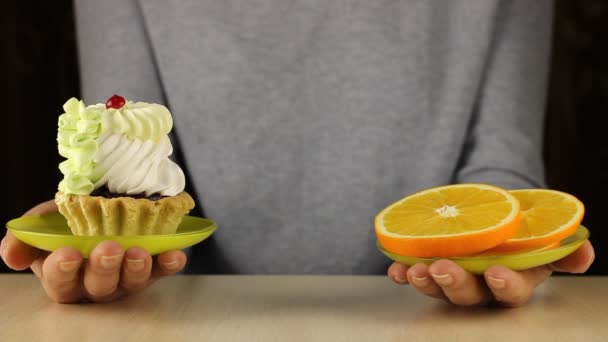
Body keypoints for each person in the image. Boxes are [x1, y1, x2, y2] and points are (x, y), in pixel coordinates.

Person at [1, 0, 595, 306]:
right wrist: (105, 243)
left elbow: (501, 167)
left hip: (427, 321)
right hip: (187, 320)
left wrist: (505, 247)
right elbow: (127, 150)